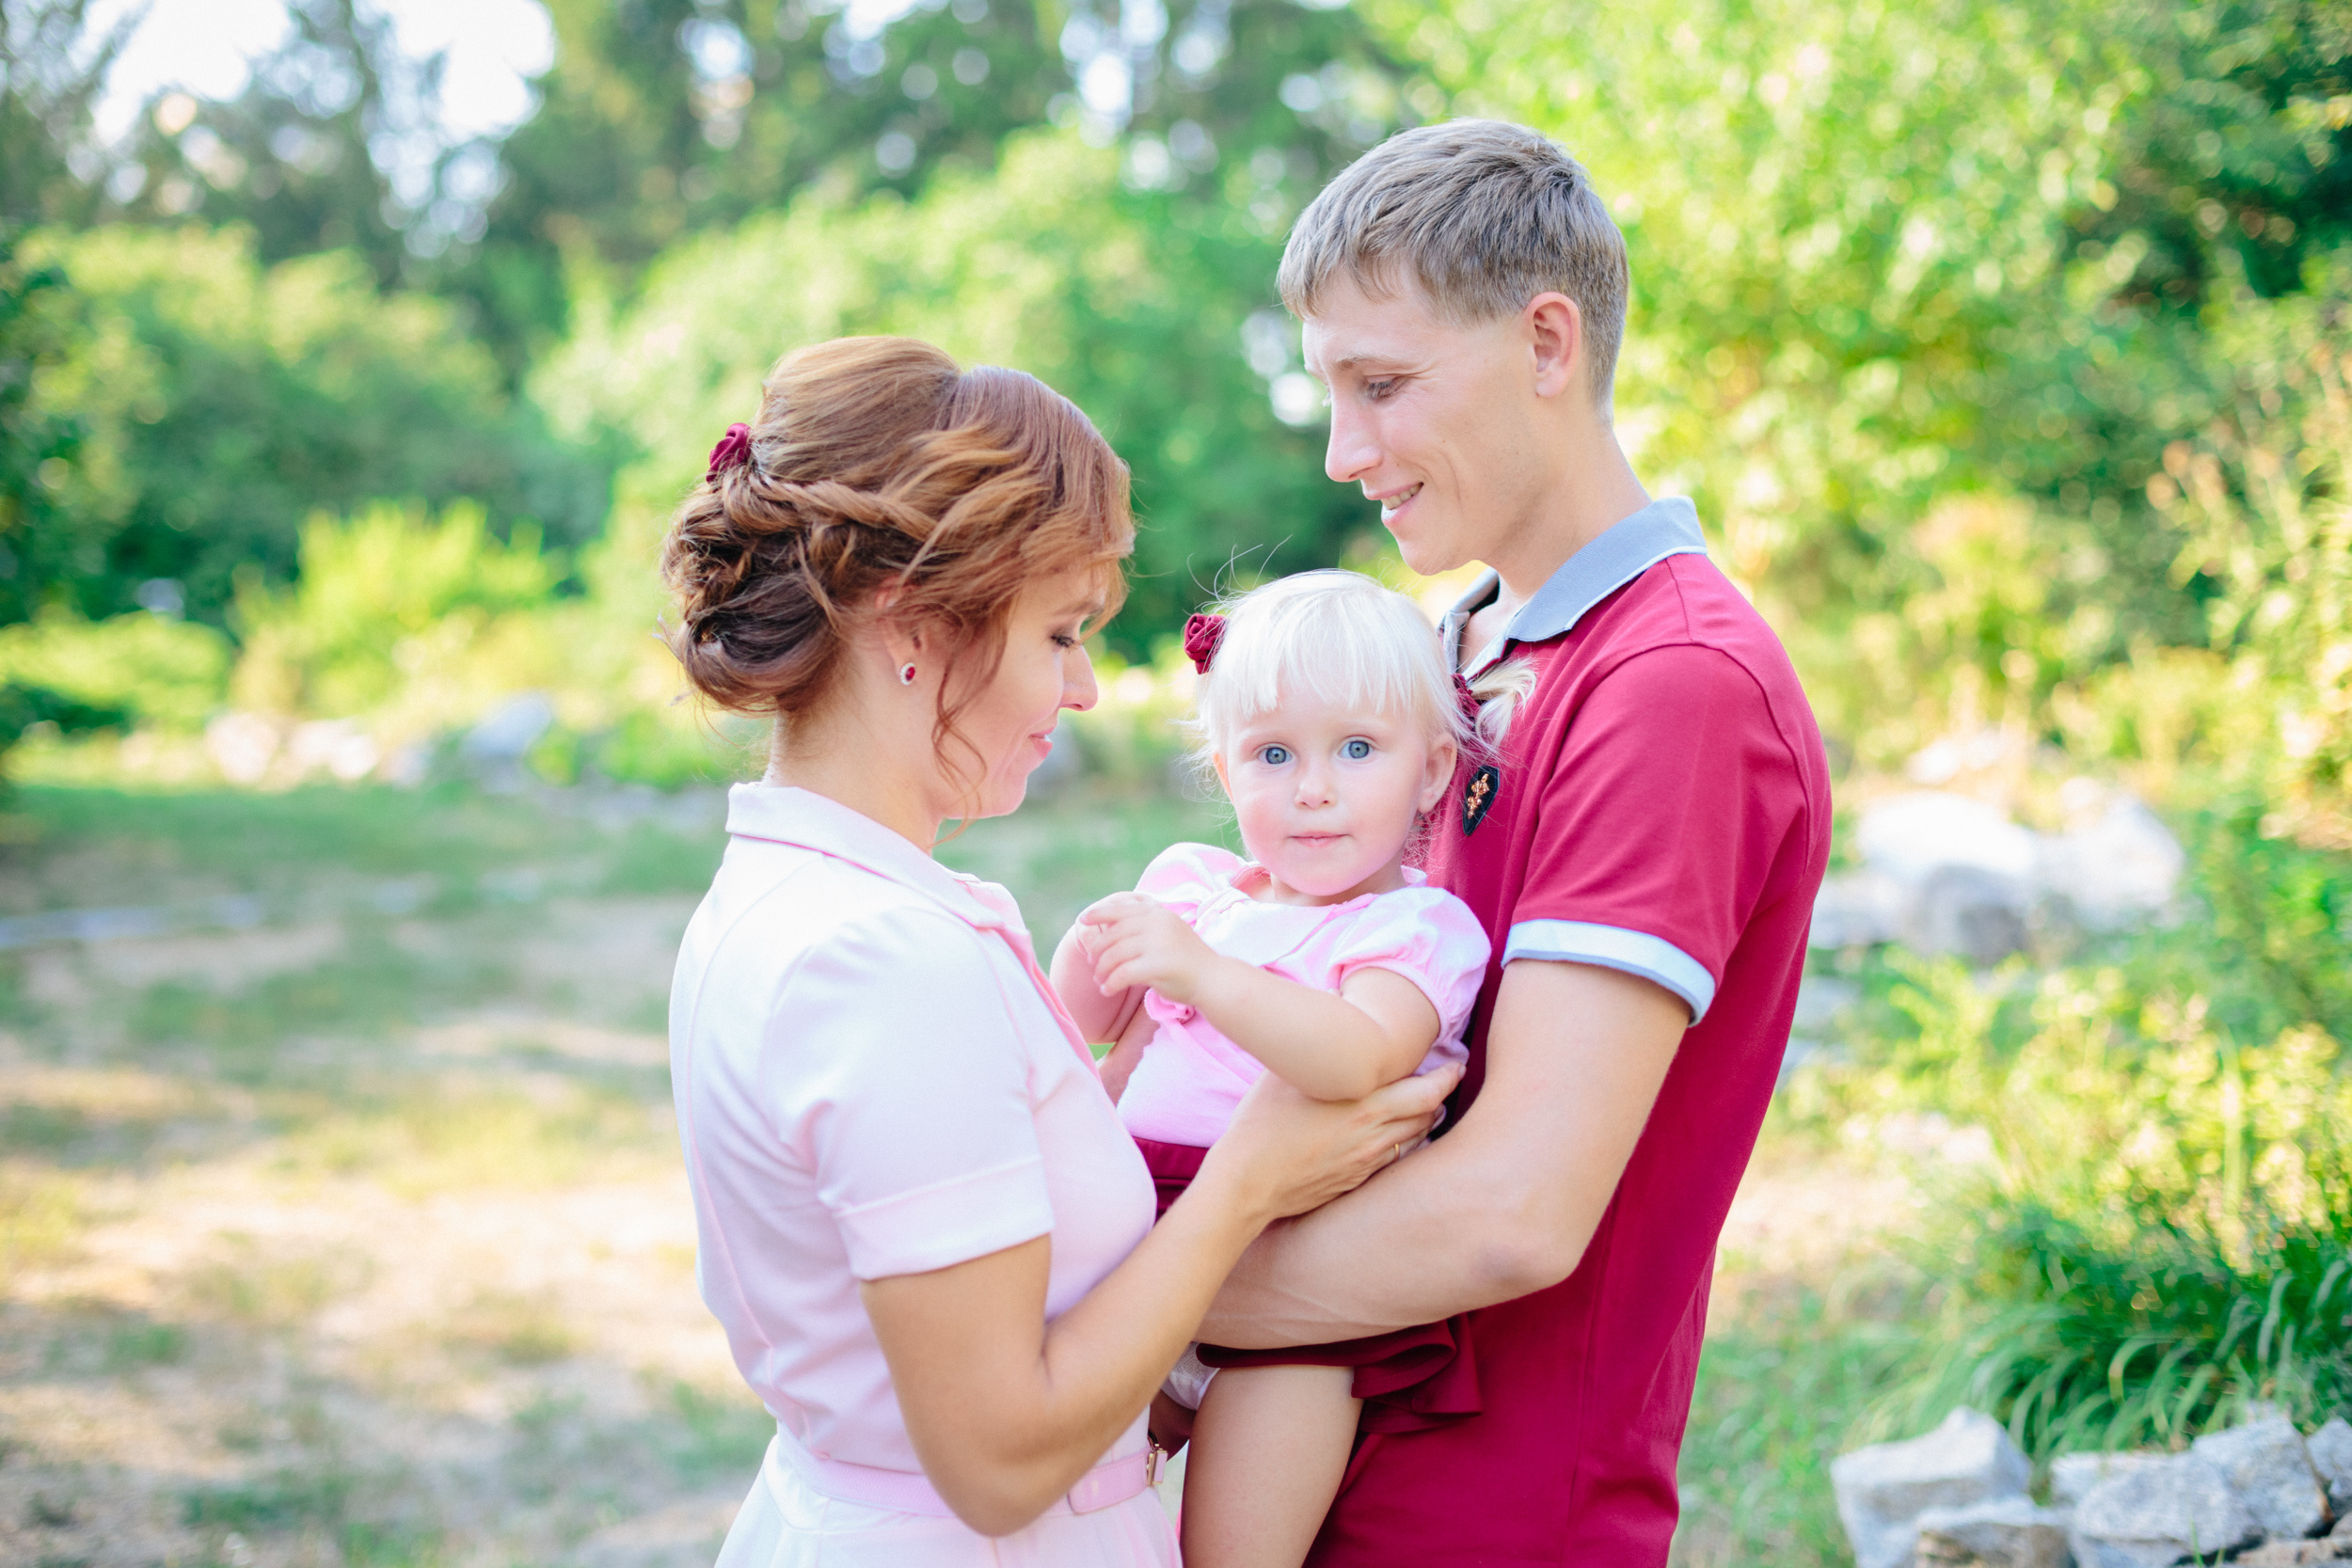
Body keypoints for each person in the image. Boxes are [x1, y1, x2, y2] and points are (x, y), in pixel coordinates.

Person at [659, 335, 1455, 1568]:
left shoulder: (788, 892)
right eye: (1059, 633)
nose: (1083, 687)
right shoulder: (881, 961)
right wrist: (1252, 1176)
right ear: (912, 620)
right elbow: (1000, 1455)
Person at [1183, 121, 1835, 1565]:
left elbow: (1516, 1211)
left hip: (1488, 1509)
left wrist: (1141, 1297)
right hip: (1328, 1455)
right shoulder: (1453, 655)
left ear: (1548, 340)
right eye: (1330, 394)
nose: (1348, 452)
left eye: (1385, 384)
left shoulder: (1673, 683)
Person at [1049, 570, 1498, 1568]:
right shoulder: (1197, 892)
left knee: (1230, 1551)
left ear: (1429, 772)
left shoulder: (1411, 927)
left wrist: (1202, 971)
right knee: (1072, 1520)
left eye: (1355, 748)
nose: (1313, 786)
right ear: (1223, 768)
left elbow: (1356, 1055)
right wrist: (1095, 945)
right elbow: (1073, 1028)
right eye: (1272, 753)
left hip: (1296, 1304)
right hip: (1132, 1253)